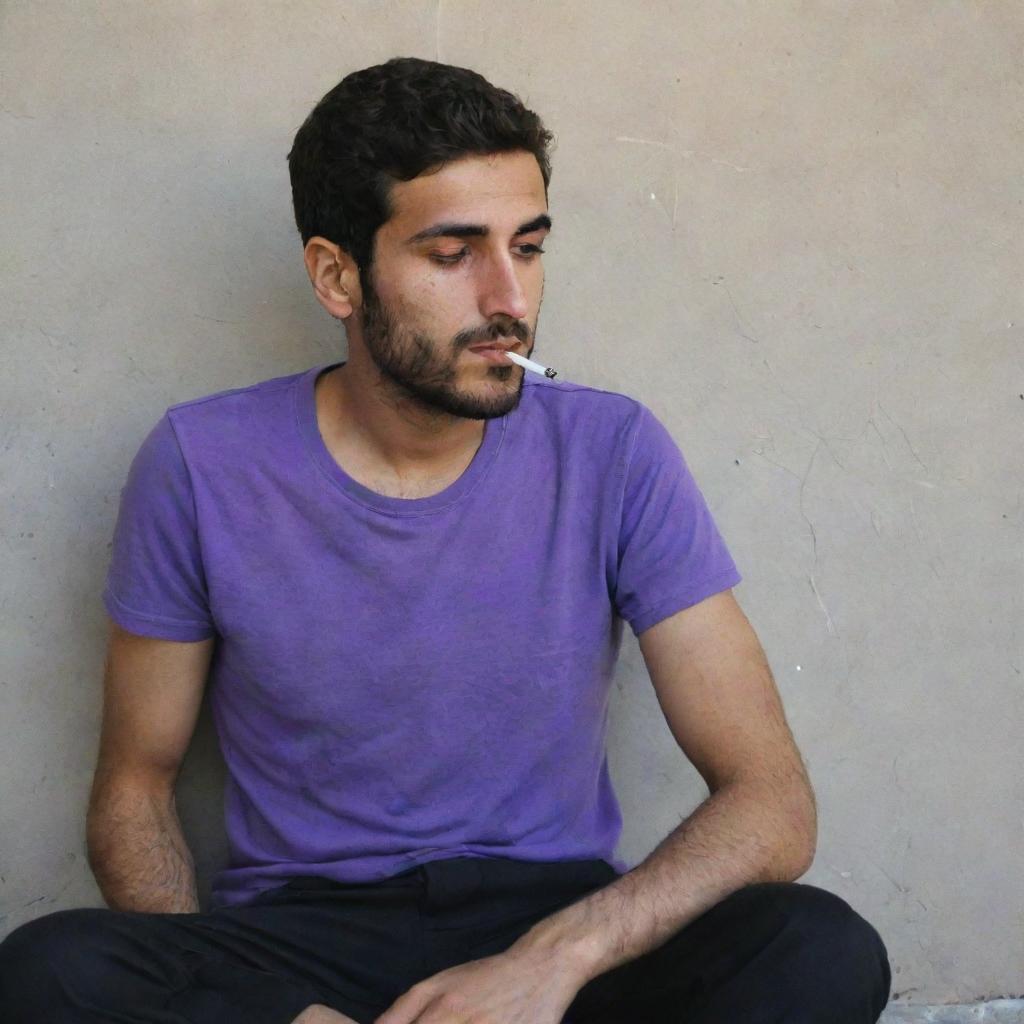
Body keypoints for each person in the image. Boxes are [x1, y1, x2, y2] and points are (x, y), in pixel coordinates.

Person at [0, 57, 891, 1024]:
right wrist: (263, 1009)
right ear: (338, 276)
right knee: (48, 971)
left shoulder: (611, 449)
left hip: (551, 920)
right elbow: (135, 788)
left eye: (530, 245)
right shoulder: (201, 461)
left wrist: (556, 960)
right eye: (453, 253)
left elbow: (770, 802)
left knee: (820, 949)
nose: (508, 296)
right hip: (307, 940)